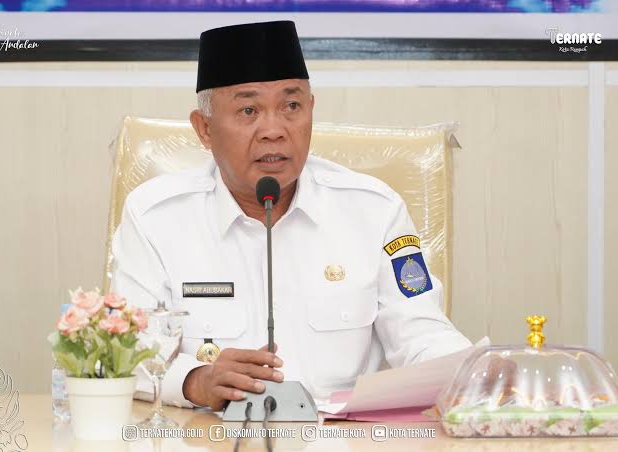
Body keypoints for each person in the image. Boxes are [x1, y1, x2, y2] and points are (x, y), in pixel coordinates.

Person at [110, 20, 473, 411]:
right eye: (248, 110)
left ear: (311, 110)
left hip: (342, 435)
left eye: (291, 107)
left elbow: (422, 333)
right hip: (210, 434)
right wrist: (195, 380)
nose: (274, 130)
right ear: (205, 129)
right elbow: (124, 352)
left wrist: (472, 375)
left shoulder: (375, 211)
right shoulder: (155, 218)